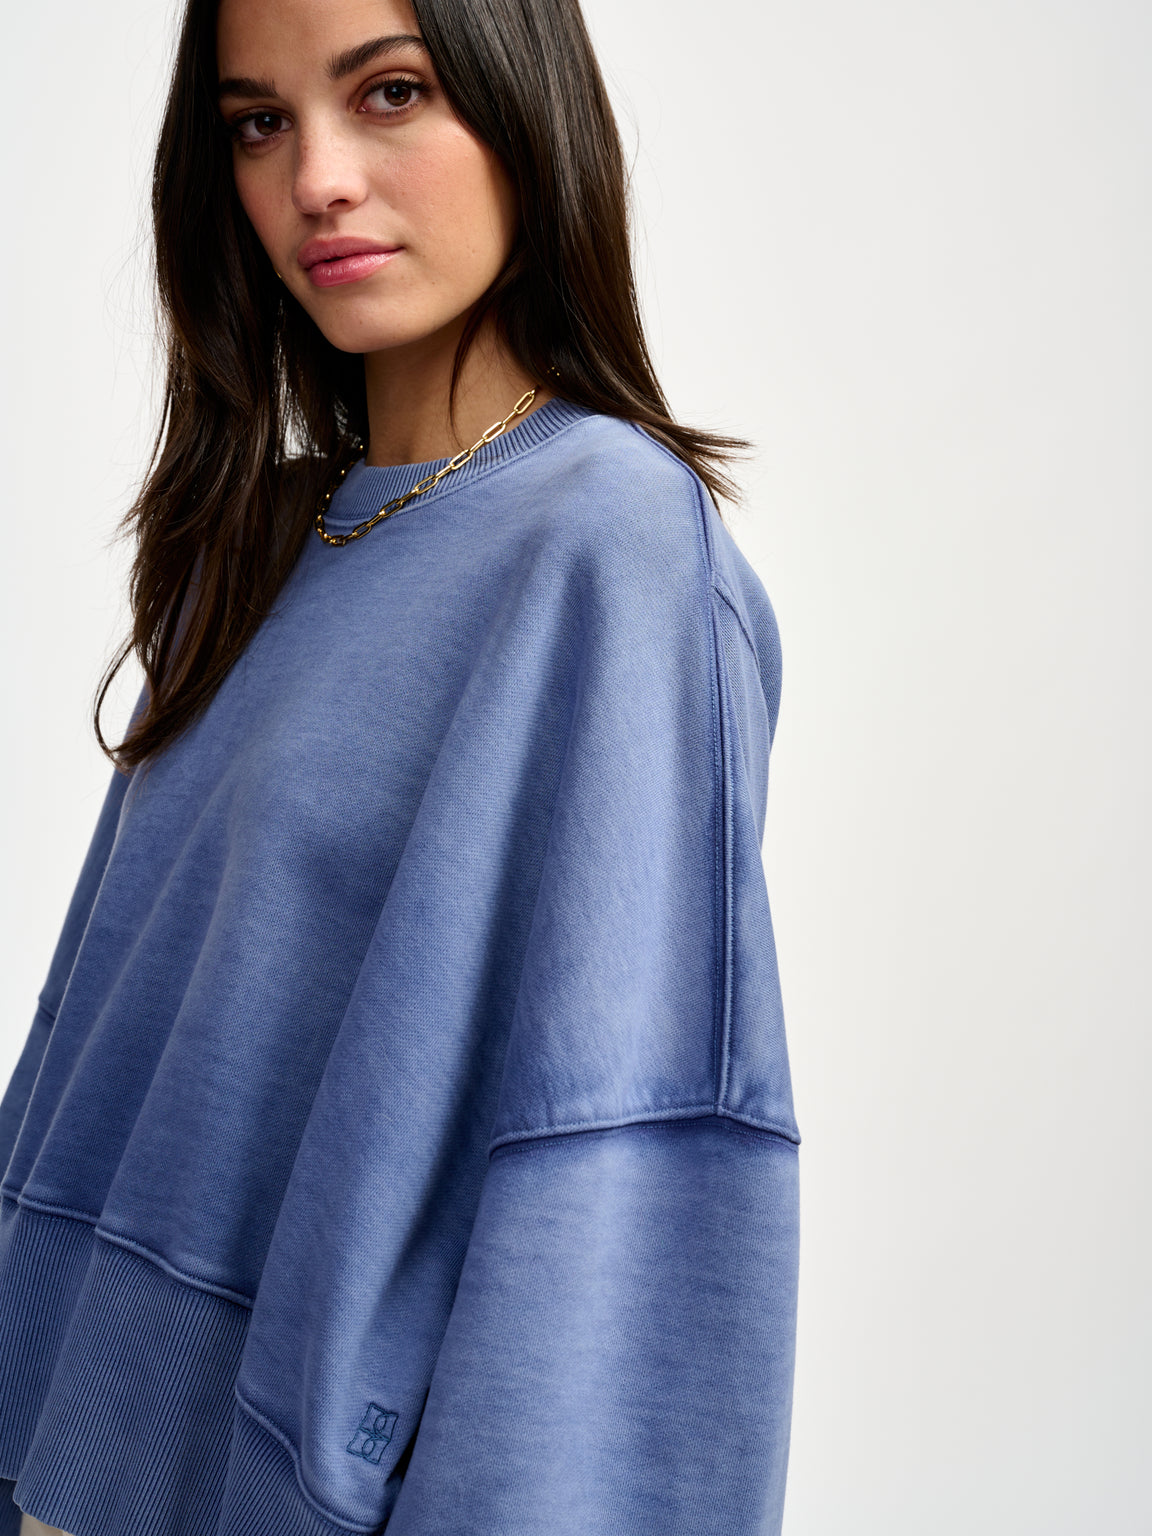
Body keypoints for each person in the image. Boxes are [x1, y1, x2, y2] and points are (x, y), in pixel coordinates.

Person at [0, 0, 802, 1532]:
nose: (316, 179)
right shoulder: (243, 547)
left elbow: (621, 1186)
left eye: (390, 93)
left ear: (523, 103)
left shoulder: (609, 550)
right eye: (259, 122)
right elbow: (90, 1055)